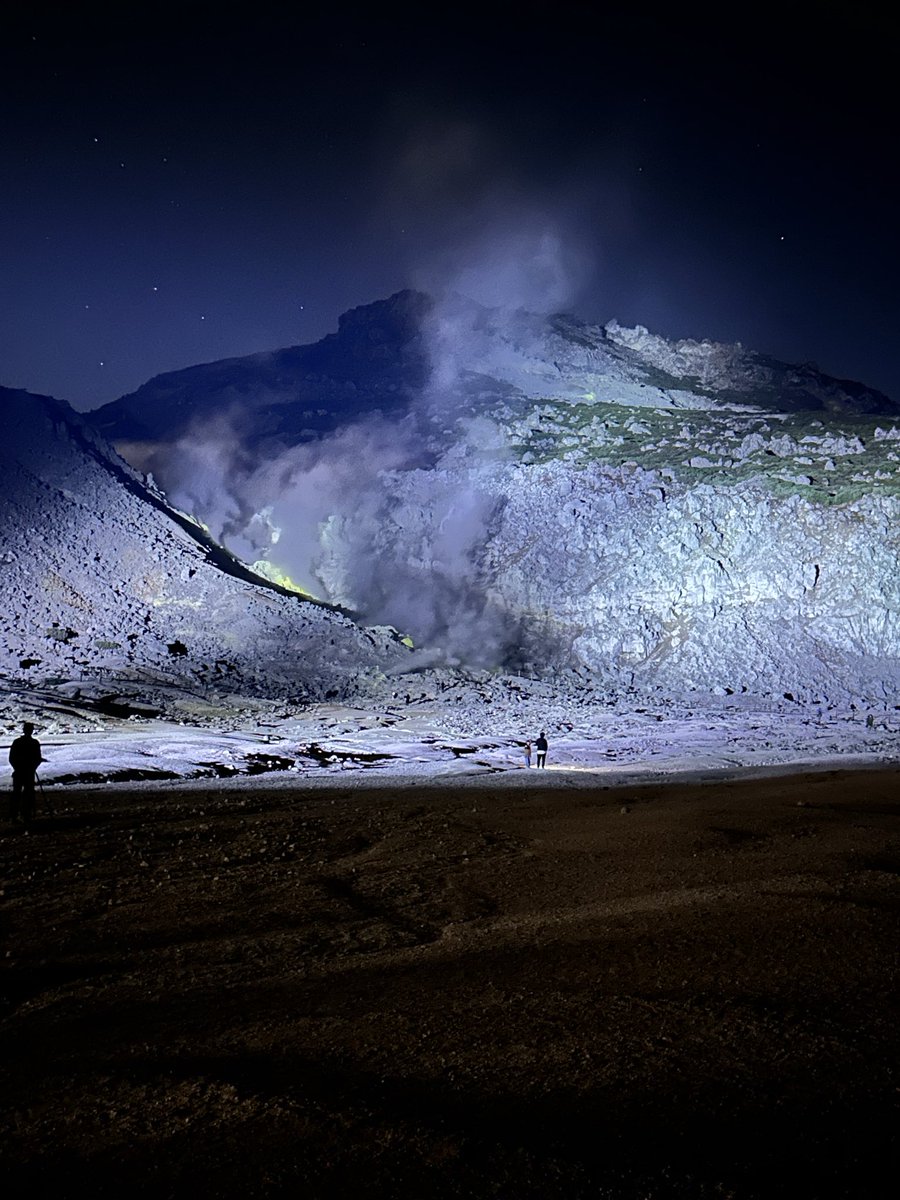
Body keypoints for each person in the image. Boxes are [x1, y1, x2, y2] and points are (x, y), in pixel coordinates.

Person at [9, 721, 43, 824]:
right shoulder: (34, 743)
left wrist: (18, 768)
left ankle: (17, 816)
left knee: (18, 795)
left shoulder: (18, 742)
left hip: (20, 772)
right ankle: (24, 816)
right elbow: (38, 759)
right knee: (26, 795)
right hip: (27, 773)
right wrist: (32, 768)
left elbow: (12, 758)